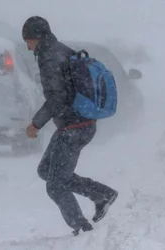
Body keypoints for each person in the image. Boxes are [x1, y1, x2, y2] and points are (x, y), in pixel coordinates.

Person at [22, 16, 118, 235]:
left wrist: (35, 124)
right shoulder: (59, 50)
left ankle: (82, 230)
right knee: (46, 170)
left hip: (74, 127)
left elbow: (57, 97)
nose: (27, 46)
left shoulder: (49, 56)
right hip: (78, 124)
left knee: (55, 185)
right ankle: (101, 194)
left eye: (28, 40)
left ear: (37, 38)